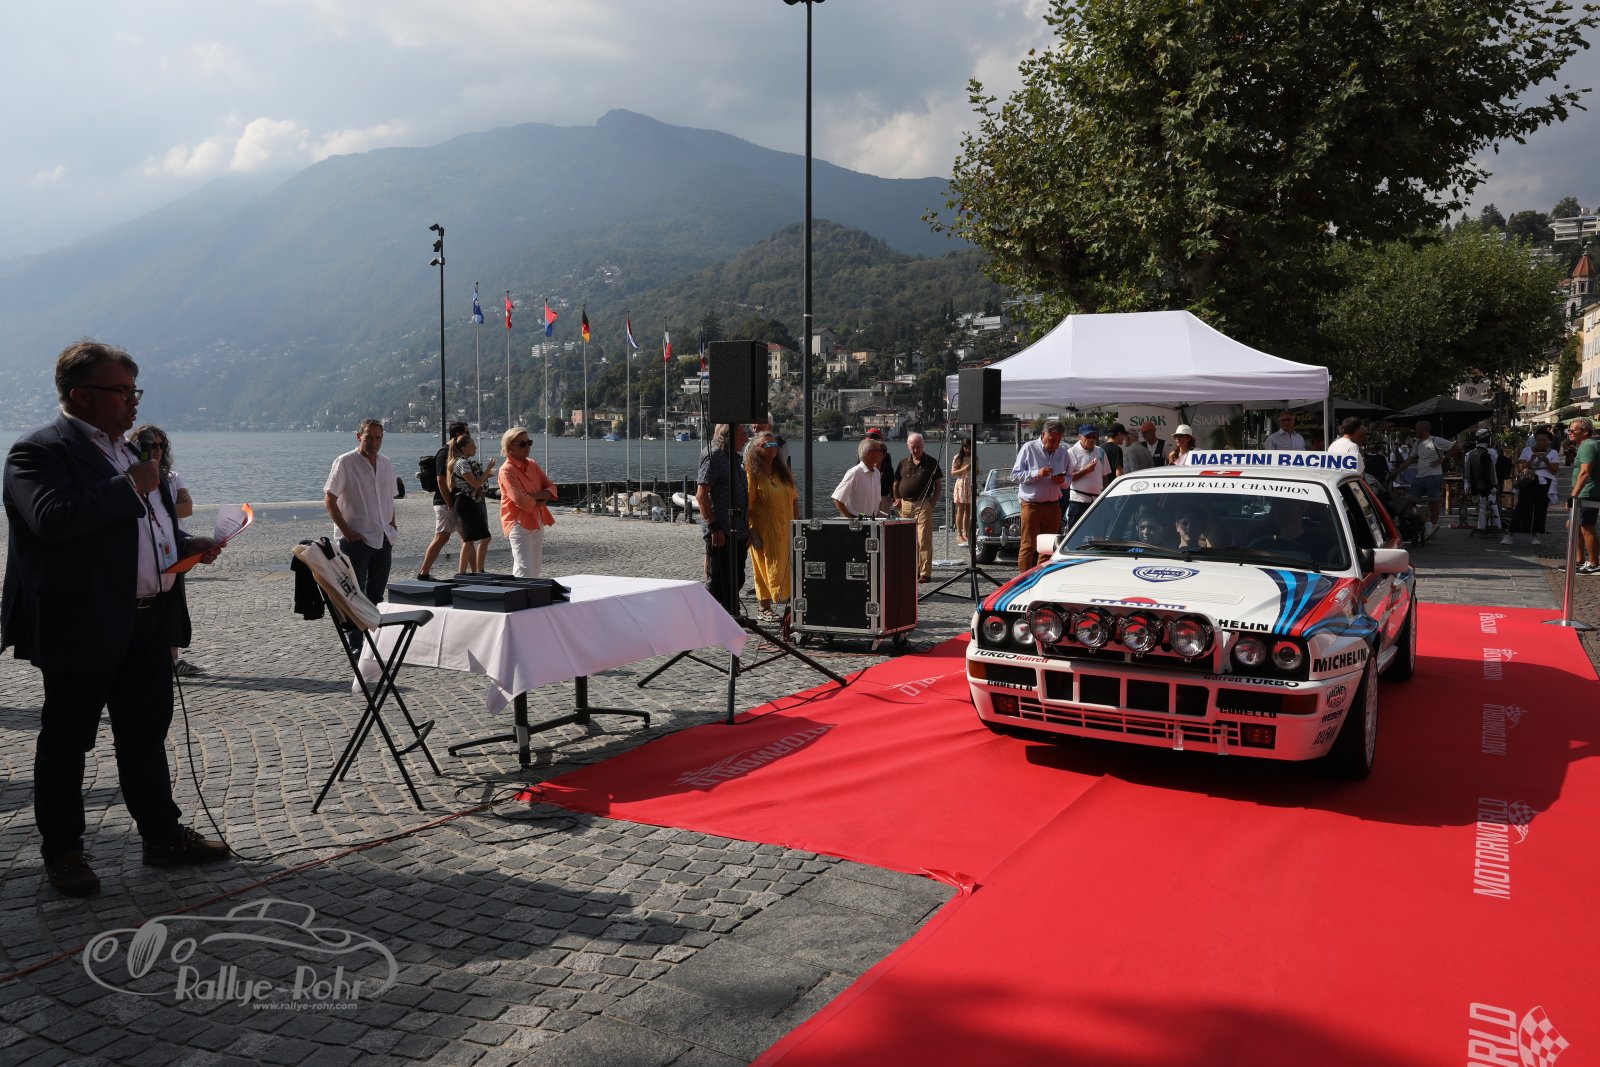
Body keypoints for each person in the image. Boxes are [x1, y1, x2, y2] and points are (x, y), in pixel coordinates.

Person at [2, 340, 228, 897]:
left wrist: (186, 544)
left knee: (145, 734)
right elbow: (52, 518)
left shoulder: (129, 453)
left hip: (147, 621)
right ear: (81, 395)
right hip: (84, 622)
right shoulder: (37, 452)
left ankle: (162, 836)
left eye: (135, 390)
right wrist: (129, 486)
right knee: (68, 741)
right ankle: (63, 852)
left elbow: (150, 528)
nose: (134, 402)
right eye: (122, 391)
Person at [131, 423, 203, 678]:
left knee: (174, 603)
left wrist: (160, 507)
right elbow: (178, 508)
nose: (158, 450)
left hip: (174, 547)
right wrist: (167, 506)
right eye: (152, 445)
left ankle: (173, 658)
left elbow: (187, 509)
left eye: (162, 445)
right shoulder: (133, 478)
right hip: (147, 550)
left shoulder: (171, 477)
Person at [323, 419, 397, 607]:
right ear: (359, 437)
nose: (373, 443)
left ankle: (372, 627)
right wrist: (348, 533)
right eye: (368, 438)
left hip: (384, 539)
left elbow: (389, 498)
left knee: (376, 597)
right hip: (356, 542)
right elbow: (330, 500)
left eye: (378, 438)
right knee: (354, 597)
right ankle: (354, 628)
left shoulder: (386, 463)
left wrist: (392, 525)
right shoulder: (345, 462)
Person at [745, 429, 800, 620]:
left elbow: (794, 498)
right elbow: (747, 504)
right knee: (764, 566)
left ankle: (790, 605)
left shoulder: (783, 472)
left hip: (786, 526)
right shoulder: (752, 473)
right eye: (767, 445)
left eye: (774, 444)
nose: (772, 448)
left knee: (787, 565)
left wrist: (797, 523)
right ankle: (764, 607)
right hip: (764, 529)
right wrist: (749, 530)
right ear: (756, 449)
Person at [697, 423, 750, 613]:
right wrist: (714, 526)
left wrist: (747, 528)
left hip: (739, 530)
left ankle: (731, 616)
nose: (746, 438)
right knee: (718, 582)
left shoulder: (735, 457)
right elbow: (701, 495)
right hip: (721, 530)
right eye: (743, 434)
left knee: (737, 578)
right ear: (730, 436)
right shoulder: (715, 456)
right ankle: (705, 618)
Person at [498, 427, 558, 577]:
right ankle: (520, 592)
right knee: (525, 568)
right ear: (510, 447)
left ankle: (527, 591)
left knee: (534, 568)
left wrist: (535, 496)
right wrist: (542, 497)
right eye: (522, 444)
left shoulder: (532, 464)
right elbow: (521, 500)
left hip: (537, 519)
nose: (527, 447)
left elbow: (552, 488)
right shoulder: (506, 470)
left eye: (529, 443)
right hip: (518, 523)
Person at [1010, 419, 1069, 572]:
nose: (1055, 444)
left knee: (1048, 547)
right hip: (1031, 506)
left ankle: (1041, 578)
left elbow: (1069, 479)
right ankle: (1024, 580)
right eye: (1052, 440)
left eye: (1058, 441)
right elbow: (1014, 476)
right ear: (1043, 434)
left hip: (1053, 506)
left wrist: (1062, 481)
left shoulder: (1063, 451)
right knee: (1028, 545)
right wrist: (1037, 473)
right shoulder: (1029, 448)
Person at [418, 421, 468, 581]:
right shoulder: (444, 452)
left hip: (456, 501)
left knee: (467, 538)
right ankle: (423, 573)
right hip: (444, 502)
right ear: (459, 434)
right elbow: (440, 480)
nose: (469, 436)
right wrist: (450, 503)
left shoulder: (456, 452)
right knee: (441, 537)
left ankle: (470, 573)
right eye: (467, 432)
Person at [893, 432, 944, 582]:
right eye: (913, 447)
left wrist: (933, 502)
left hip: (924, 504)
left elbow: (938, 484)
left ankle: (925, 573)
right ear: (908, 446)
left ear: (923, 445)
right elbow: (895, 483)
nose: (916, 450)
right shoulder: (903, 463)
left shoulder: (931, 462)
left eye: (919, 447)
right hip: (905, 505)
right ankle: (913, 569)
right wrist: (896, 499)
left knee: (923, 539)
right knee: (909, 539)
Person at [1399, 419, 1460, 540]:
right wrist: (1398, 469)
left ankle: (1431, 530)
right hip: (1420, 476)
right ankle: (1428, 525)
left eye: (1417, 429)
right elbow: (1411, 458)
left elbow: (1457, 447)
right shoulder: (1418, 442)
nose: (1415, 431)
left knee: (1433, 504)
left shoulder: (1435, 440)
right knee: (1409, 501)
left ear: (1423, 430)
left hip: (1433, 476)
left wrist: (1443, 459)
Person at [446, 432, 496, 573]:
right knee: (476, 538)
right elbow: (475, 484)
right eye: (472, 445)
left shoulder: (460, 462)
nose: (475, 448)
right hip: (465, 502)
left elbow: (472, 482)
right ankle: (470, 571)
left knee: (472, 538)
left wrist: (485, 475)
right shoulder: (462, 463)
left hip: (465, 501)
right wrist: (487, 470)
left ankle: (471, 571)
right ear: (463, 447)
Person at [1505, 428, 1560, 547]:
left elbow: (1554, 470)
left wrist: (1546, 461)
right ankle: (1510, 533)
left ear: (1548, 441)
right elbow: (1520, 467)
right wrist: (1531, 459)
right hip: (1528, 481)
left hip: (1545, 482)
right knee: (1522, 506)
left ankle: (1534, 534)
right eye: (1539, 440)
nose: (1542, 442)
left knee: (1540, 508)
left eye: (1544, 440)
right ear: (1535, 440)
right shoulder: (1527, 450)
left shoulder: (1553, 453)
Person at [1568, 418, 1600, 573]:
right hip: (1583, 493)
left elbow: (1585, 472)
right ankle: (1579, 560)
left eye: (1573, 430)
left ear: (1585, 432)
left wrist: (1573, 495)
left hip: (1587, 493)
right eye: (1569, 430)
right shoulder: (1584, 445)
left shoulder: (1588, 445)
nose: (1569, 433)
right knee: (1573, 525)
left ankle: (1594, 563)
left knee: (1586, 527)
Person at [1064, 424, 1110, 530]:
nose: (1091, 439)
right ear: (1080, 437)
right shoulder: (1071, 452)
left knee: (1098, 533)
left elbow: (1105, 476)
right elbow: (1068, 478)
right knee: (1075, 533)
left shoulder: (1101, 451)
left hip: (1097, 501)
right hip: (1078, 501)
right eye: (1088, 436)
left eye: (1094, 436)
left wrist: (1106, 497)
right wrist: (1086, 470)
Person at [832, 436, 886, 519]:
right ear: (868, 453)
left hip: (872, 520)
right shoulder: (854, 473)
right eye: (878, 450)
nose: (881, 453)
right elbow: (837, 498)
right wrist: (850, 519)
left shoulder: (876, 473)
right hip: (856, 521)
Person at [864, 428, 896, 515]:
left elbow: (889, 476)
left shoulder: (886, 455)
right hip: (867, 496)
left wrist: (893, 497)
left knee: (883, 518)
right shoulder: (862, 454)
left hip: (883, 495)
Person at [951, 437, 973, 545]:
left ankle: (966, 533)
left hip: (970, 483)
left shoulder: (974, 457)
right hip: (961, 483)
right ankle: (959, 534)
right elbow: (953, 472)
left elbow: (978, 472)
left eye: (969, 448)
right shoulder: (957, 457)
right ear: (962, 447)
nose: (967, 450)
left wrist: (973, 469)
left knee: (968, 509)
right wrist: (964, 469)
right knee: (960, 509)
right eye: (966, 448)